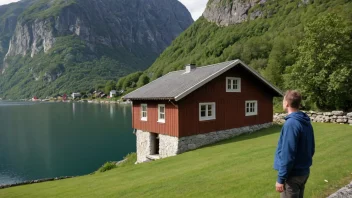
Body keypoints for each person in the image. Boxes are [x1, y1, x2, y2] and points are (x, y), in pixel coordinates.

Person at [274, 90, 315, 198]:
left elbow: (288, 154)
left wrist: (280, 178)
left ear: (286, 103)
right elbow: (311, 149)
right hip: (304, 172)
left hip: (292, 176)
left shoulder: (291, 124)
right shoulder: (305, 121)